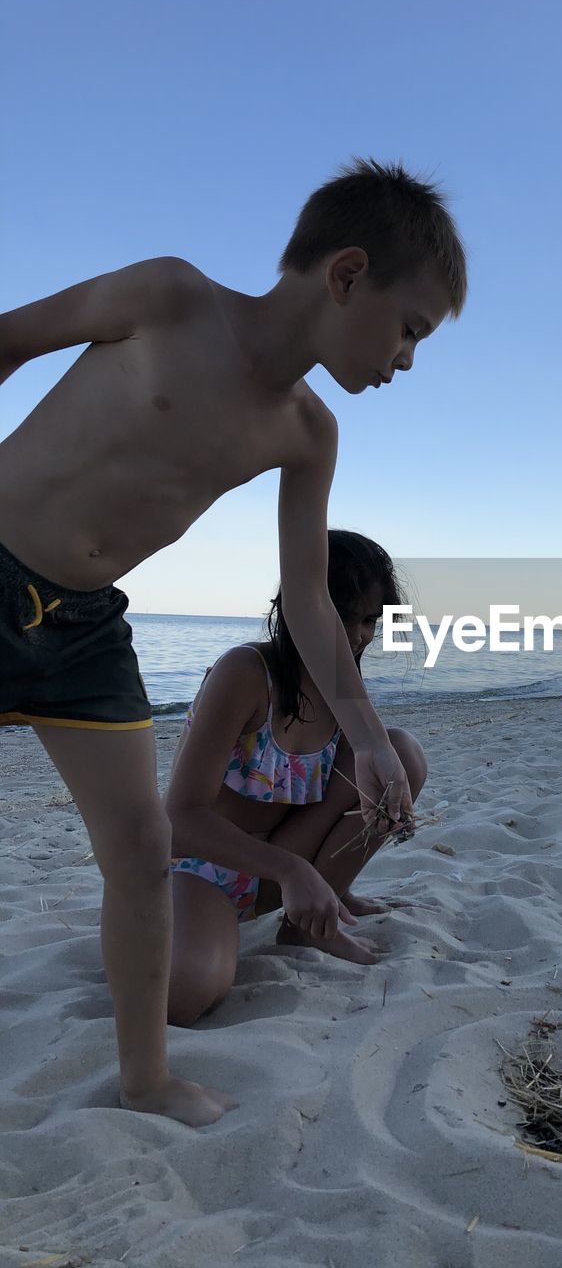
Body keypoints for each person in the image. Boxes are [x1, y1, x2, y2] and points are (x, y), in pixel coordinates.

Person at [0, 160, 466, 1125]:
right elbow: (8, 339)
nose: (409, 359)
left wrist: (371, 740)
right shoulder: (170, 298)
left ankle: (145, 1079)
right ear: (346, 276)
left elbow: (306, 599)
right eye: (411, 327)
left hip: (87, 625)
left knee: (136, 849)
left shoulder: (308, 431)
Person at [165, 531, 427, 1026]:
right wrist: (290, 869)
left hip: (288, 868)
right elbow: (179, 819)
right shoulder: (245, 672)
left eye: (371, 620)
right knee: (185, 995)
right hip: (203, 866)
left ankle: (313, 922)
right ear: (298, 606)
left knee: (403, 756)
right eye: (343, 615)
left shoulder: (341, 687)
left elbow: (353, 783)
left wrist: (387, 814)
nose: (358, 635)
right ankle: (316, 899)